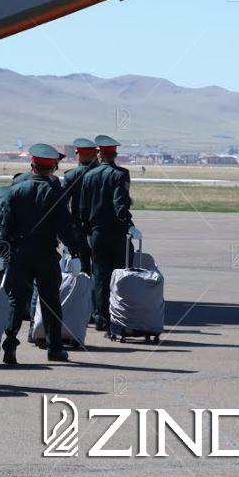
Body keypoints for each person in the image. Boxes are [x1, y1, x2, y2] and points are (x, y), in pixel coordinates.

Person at [0, 144, 78, 364]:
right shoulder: (54, 192)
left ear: (32, 165)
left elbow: (6, 225)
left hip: (19, 253)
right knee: (50, 301)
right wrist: (75, 252)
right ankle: (54, 348)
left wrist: (1, 252)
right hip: (45, 253)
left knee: (16, 301)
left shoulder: (16, 190)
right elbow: (65, 226)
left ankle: (10, 346)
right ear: (53, 168)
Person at [78, 134, 140, 333]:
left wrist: (87, 230)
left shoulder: (89, 176)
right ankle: (117, 316)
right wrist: (129, 224)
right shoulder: (121, 174)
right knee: (120, 275)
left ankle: (101, 318)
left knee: (100, 275)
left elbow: (83, 208)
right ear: (115, 154)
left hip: (96, 233)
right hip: (117, 233)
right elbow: (119, 203)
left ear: (99, 154)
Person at [62, 137, 100, 273]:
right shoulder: (104, 173)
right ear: (95, 154)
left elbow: (63, 204)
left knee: (82, 268)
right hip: (100, 226)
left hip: (79, 226)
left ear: (79, 155)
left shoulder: (71, 175)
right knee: (101, 266)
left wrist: (68, 225)